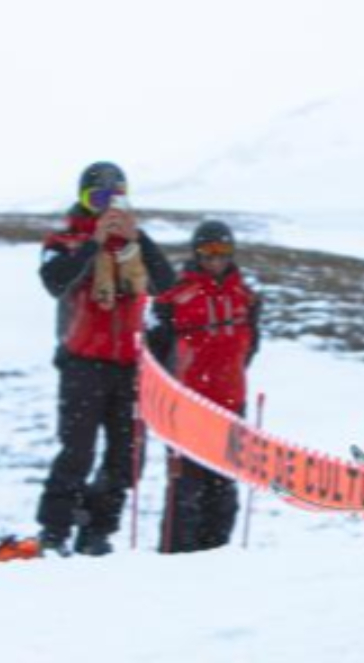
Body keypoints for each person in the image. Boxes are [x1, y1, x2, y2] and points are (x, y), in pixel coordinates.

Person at [36, 161, 175, 556]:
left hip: (128, 365)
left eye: (115, 198)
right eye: (96, 198)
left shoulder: (135, 243)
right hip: (82, 361)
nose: (107, 207)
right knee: (77, 451)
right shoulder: (63, 241)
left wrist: (139, 241)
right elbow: (54, 282)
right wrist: (94, 243)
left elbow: (168, 286)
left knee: (125, 457)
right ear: (82, 200)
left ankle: (97, 531)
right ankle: (55, 531)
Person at [147, 220, 261, 554]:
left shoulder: (247, 298)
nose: (215, 258)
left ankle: (217, 556)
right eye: (208, 250)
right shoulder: (173, 298)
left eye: (222, 250)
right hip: (186, 406)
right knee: (185, 489)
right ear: (196, 253)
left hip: (230, 403)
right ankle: (175, 557)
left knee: (223, 487)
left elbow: (251, 347)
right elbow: (156, 352)